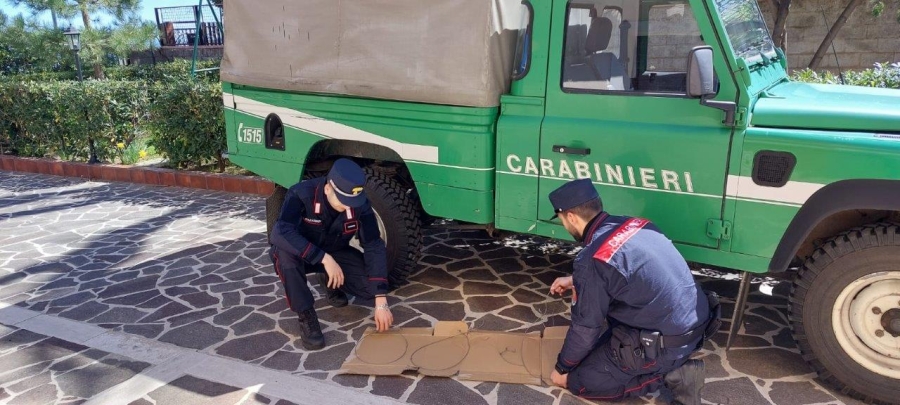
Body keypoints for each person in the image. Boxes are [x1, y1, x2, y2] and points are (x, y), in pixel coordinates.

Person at [546, 178, 720, 405]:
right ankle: (672, 362)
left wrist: (563, 368)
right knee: (601, 347)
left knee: (580, 380)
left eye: (561, 220)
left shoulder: (592, 259)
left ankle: (673, 374)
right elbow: (630, 273)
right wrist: (575, 280)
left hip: (667, 344)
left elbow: (586, 327)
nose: (564, 225)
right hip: (695, 324)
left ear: (570, 216)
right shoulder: (635, 224)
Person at [269, 158, 394, 350]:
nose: (348, 207)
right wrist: (324, 258)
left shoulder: (359, 204)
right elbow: (280, 232)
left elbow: (373, 244)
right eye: (344, 201)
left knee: (371, 289)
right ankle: (306, 315)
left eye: (352, 202)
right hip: (302, 254)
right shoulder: (300, 194)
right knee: (285, 259)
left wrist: (381, 299)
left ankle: (330, 281)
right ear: (328, 189)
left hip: (335, 250)